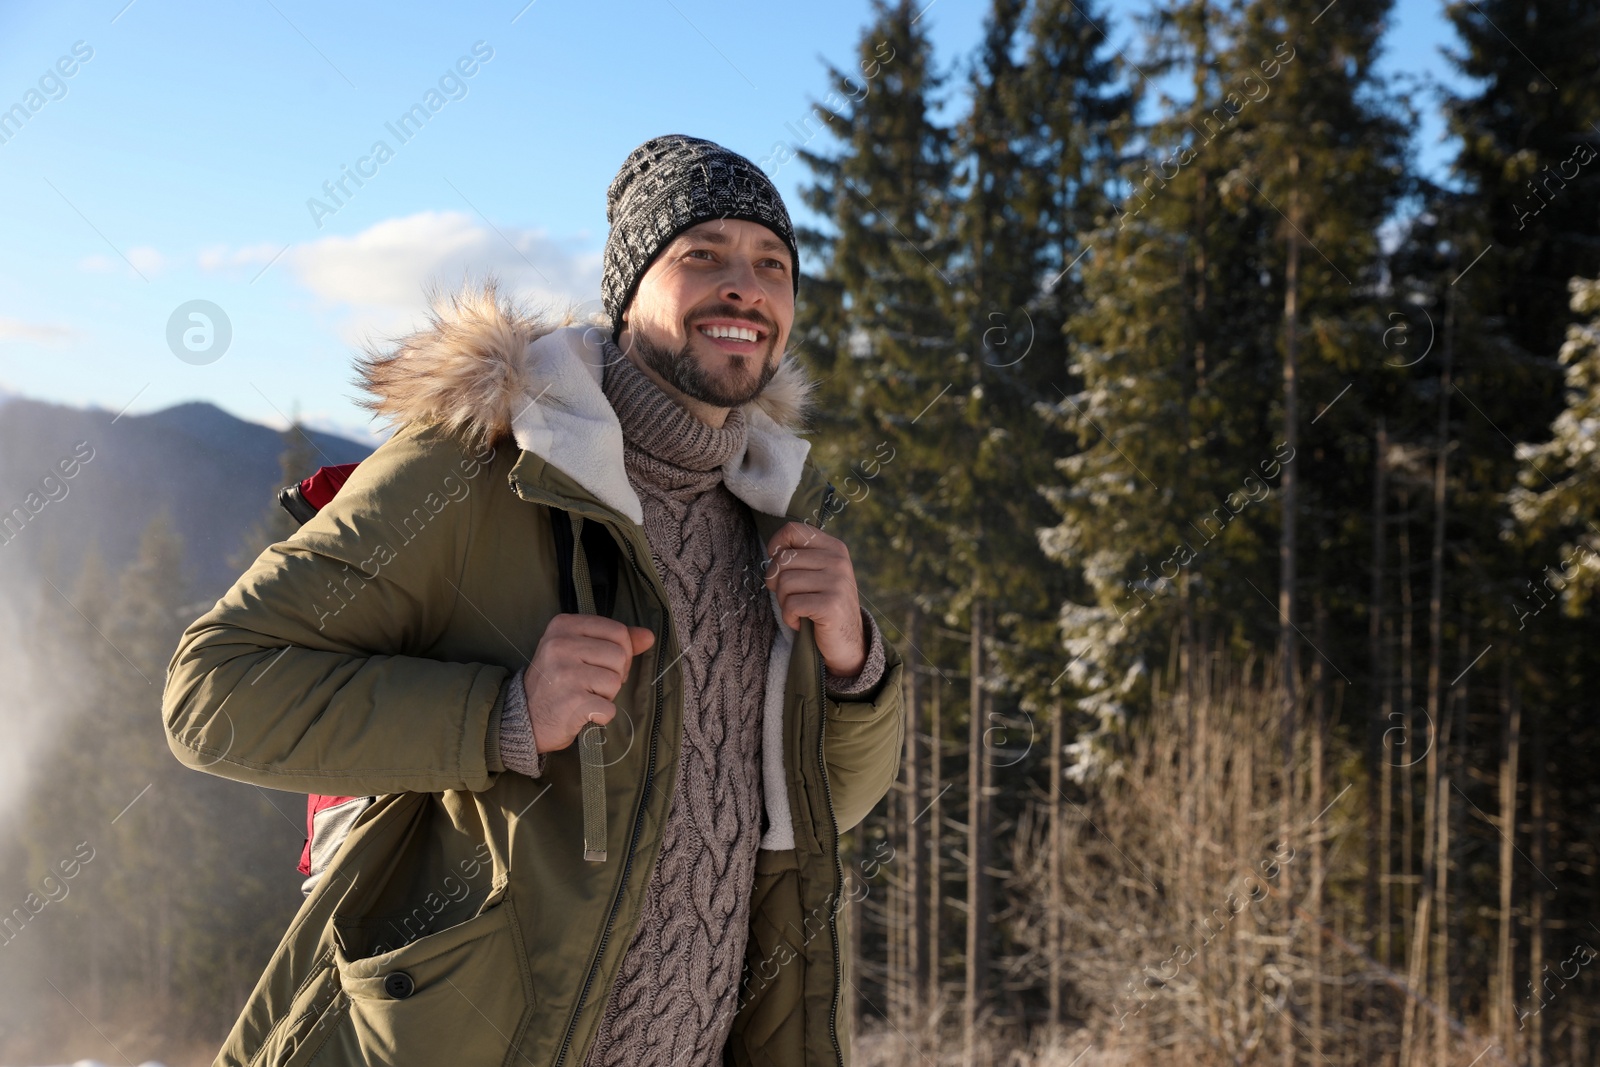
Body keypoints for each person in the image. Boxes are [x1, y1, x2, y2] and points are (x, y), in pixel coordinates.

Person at [162, 133, 905, 1067]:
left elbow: (820, 804)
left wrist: (852, 667)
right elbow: (211, 693)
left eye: (772, 264)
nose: (745, 286)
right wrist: (501, 715)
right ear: (629, 291)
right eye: (701, 254)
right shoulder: (478, 468)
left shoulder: (764, 520)